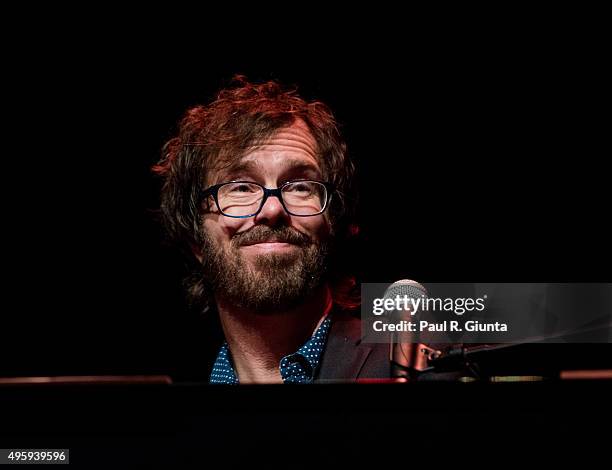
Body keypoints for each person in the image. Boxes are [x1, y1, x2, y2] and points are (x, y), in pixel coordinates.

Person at [153, 76, 390, 383]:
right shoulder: (175, 419)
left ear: (335, 222)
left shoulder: (420, 369)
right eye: (239, 187)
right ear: (195, 237)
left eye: (301, 186)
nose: (272, 209)